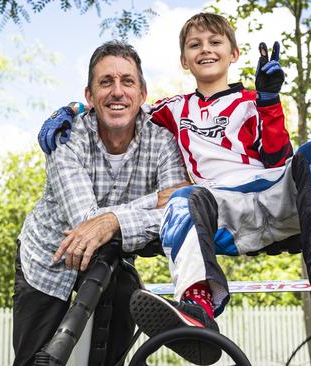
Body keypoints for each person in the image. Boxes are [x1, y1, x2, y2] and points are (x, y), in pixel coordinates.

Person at [40, 12, 311, 366]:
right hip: (220, 206)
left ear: (235, 53)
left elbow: (278, 156)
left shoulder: (254, 99)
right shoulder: (174, 108)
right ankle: (197, 306)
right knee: (182, 198)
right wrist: (74, 108)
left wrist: (269, 101)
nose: (206, 50)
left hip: (276, 197)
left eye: (215, 42)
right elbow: (123, 102)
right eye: (195, 45)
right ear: (184, 60)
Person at [13, 41, 189, 366]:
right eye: (105, 82)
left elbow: (178, 209)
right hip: (47, 258)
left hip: (113, 256)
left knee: (112, 350)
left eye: (127, 81)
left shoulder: (161, 141)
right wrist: (152, 202)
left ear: (142, 94)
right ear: (90, 97)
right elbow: (87, 223)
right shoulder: (64, 138)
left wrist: (112, 222)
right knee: (37, 360)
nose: (117, 91)